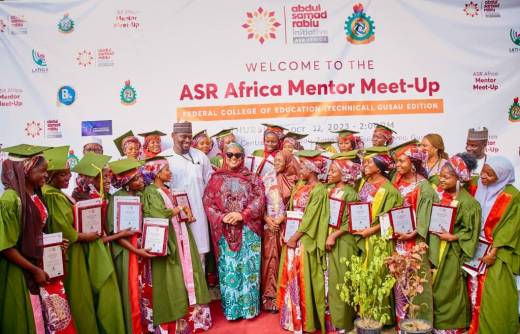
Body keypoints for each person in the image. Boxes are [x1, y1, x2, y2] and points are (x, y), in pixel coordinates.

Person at [42, 147, 125, 333]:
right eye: (62, 174)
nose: (67, 178)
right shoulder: (52, 195)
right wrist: (84, 236)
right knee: (79, 297)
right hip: (71, 252)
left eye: (68, 173)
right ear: (50, 175)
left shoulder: (57, 193)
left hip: (77, 249)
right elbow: (63, 229)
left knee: (84, 296)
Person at [0, 144, 76, 334]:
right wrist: (34, 269)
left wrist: (55, 245)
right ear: (25, 169)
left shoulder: (34, 195)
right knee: (28, 320)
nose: (46, 175)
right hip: (20, 271)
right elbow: (6, 246)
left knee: (52, 320)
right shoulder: (10, 199)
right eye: (42, 171)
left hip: (40, 266)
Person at [141, 157, 212, 332]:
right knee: (173, 276)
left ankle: (194, 320)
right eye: (166, 169)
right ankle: (174, 323)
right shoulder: (150, 192)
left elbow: (175, 210)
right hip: (169, 238)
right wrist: (179, 209)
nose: (170, 172)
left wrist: (186, 212)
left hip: (181, 235)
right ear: (157, 173)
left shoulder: (166, 189)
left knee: (188, 272)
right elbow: (158, 213)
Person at [203, 143, 265, 320]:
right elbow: (208, 202)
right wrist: (222, 217)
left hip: (248, 230)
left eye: (238, 155)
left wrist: (242, 214)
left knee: (248, 269)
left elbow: (259, 201)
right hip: (224, 230)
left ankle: (249, 310)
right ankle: (232, 311)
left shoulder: (253, 178)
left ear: (243, 157)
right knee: (229, 269)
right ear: (223, 156)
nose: (233, 158)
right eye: (229, 155)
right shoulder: (215, 179)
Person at [277, 150, 330, 333]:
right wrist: (286, 230)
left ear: (312, 170)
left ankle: (306, 320)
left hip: (304, 240)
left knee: (303, 277)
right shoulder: (300, 185)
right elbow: (291, 210)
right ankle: (291, 318)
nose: (299, 170)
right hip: (292, 236)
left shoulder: (320, 190)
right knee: (290, 276)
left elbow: (310, 218)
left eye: (302, 168)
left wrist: (294, 237)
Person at [430, 153, 481, 333]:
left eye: (446, 177)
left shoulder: (468, 203)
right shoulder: (439, 195)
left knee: (449, 288)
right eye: (440, 175)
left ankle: (452, 326)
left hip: (452, 253)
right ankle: (436, 323)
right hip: (435, 248)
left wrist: (453, 237)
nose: (441, 179)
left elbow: (470, 231)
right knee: (434, 288)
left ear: (459, 178)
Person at [470, 156, 519, 333]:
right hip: (472, 249)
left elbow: (510, 227)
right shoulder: (476, 185)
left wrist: (494, 251)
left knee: (494, 295)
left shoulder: (512, 195)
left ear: (503, 176)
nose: (484, 176)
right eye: (484, 171)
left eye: (490, 174)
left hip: (496, 252)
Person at [357, 146, 403, 326]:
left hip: (378, 240)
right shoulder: (365, 183)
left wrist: (371, 230)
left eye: (369, 162)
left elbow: (389, 218)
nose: (365, 164)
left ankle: (380, 319)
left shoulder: (389, 190)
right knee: (363, 275)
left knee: (377, 275)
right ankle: (366, 314)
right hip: (362, 236)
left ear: (379, 166)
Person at [391, 140, 436, 324]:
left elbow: (425, 217)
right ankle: (402, 323)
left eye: (402, 161)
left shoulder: (424, 187)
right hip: (397, 240)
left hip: (414, 242)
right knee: (399, 282)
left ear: (413, 163)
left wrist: (414, 233)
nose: (398, 165)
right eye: (397, 162)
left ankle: (419, 323)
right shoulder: (396, 182)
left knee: (416, 282)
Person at [107, 159, 154, 334]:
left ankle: (147, 326)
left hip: (141, 248)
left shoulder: (138, 195)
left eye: (141, 178)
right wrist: (136, 251)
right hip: (128, 252)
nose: (142, 181)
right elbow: (115, 235)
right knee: (132, 290)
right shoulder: (116, 198)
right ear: (126, 182)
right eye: (136, 179)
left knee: (143, 289)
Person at [162, 122, 213, 266]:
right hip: (173, 213)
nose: (187, 140)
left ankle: (199, 288)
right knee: (178, 253)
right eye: (183, 136)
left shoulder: (200, 156)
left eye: (190, 137)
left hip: (198, 213)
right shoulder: (163, 158)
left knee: (199, 254)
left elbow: (211, 185)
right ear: (173, 136)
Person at [326, 151, 363, 332]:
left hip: (344, 242)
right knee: (332, 281)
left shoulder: (351, 194)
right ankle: (334, 320)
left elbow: (352, 222)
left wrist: (333, 235)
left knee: (343, 280)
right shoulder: (331, 190)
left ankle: (344, 323)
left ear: (345, 173)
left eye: (334, 171)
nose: (329, 174)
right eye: (330, 170)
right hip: (330, 239)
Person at [261, 150, 299, 312]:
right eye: (275, 160)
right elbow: (258, 201)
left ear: (288, 162)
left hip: (287, 227)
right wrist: (268, 220)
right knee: (269, 260)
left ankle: (284, 296)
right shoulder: (266, 177)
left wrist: (282, 218)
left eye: (280, 160)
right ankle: (269, 298)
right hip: (269, 226)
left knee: (285, 261)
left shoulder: (295, 180)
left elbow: (297, 204)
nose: (276, 163)